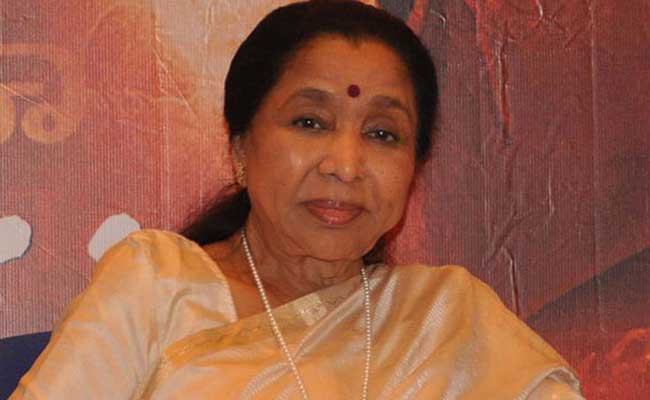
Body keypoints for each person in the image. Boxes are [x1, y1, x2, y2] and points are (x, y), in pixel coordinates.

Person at [11, 1, 583, 398]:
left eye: (383, 133)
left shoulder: (447, 318)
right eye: (310, 122)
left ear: (414, 166)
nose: (345, 165)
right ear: (241, 146)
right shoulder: (157, 283)